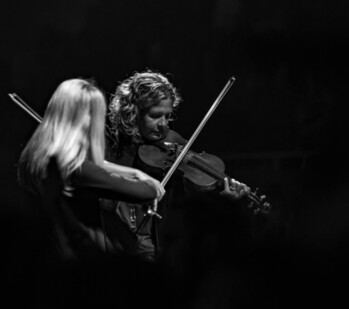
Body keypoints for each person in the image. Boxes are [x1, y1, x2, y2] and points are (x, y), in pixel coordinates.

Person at [101, 70, 251, 261]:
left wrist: (221, 200)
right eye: (155, 116)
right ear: (133, 112)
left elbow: (187, 218)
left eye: (167, 116)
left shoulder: (172, 146)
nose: (163, 125)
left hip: (160, 253)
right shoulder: (112, 148)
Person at [17, 78, 165, 261]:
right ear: (83, 118)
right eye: (96, 115)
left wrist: (135, 172)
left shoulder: (38, 156)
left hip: (51, 257)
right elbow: (146, 192)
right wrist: (149, 184)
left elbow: (97, 166)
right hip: (83, 263)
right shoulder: (77, 170)